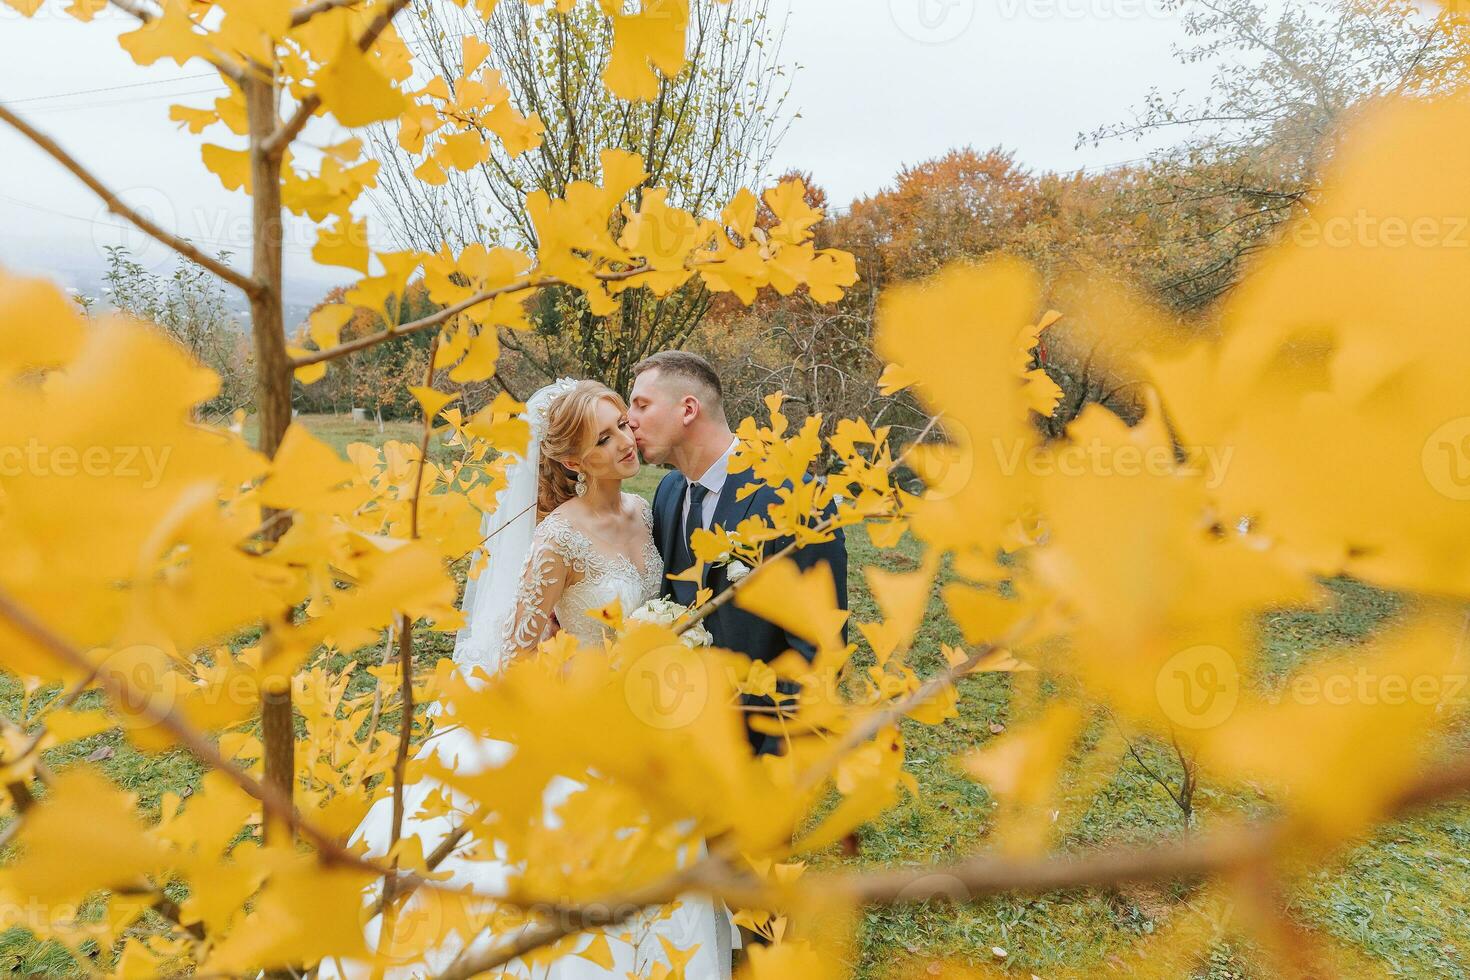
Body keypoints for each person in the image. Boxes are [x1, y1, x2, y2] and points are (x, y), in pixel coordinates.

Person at [324, 378, 733, 979]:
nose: (625, 440)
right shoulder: (557, 538)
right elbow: (518, 660)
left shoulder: (644, 512)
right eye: (604, 436)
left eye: (622, 422)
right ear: (572, 462)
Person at [626, 351, 849, 757]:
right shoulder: (668, 492)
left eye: (641, 404)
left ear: (688, 409)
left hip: (754, 748)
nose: (630, 420)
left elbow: (818, 650)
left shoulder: (795, 498)